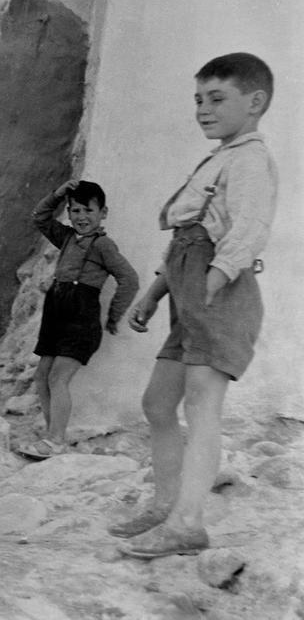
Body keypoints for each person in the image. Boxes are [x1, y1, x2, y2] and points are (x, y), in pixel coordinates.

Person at [112, 53, 276, 559]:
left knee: (203, 405)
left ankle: (187, 522)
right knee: (159, 404)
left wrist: (216, 278)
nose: (203, 109)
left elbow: (248, 229)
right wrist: (156, 291)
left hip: (219, 295)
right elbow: (186, 237)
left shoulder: (250, 159)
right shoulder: (221, 156)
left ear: (255, 102)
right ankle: (166, 505)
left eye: (217, 98)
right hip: (189, 293)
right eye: (198, 100)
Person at [16, 180, 138, 460]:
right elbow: (39, 217)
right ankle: (51, 435)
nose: (82, 217)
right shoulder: (68, 237)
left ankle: (56, 440)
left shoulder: (104, 245)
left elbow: (129, 279)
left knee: (58, 377)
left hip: (81, 317)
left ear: (103, 213)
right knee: (43, 376)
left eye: (88, 210)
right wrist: (58, 193)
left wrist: (115, 315)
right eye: (75, 210)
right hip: (56, 312)